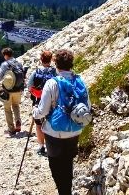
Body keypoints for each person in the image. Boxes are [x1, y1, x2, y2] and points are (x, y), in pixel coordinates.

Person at [32, 49, 89, 195]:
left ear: (56, 64)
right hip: (75, 129)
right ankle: (67, 190)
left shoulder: (52, 83)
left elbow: (43, 111)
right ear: (71, 64)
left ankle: (63, 191)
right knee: (68, 162)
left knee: (55, 165)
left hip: (54, 132)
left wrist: (35, 112)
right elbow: (87, 107)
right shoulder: (80, 81)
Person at [27, 50, 58, 156]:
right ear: (51, 60)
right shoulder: (55, 72)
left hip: (38, 101)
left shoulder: (36, 72)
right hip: (53, 103)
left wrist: (37, 94)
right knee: (51, 123)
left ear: (41, 59)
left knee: (39, 125)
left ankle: (41, 147)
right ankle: (52, 146)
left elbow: (29, 86)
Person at [0, 47, 24, 137]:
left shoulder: (5, 64)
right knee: (16, 105)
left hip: (8, 90)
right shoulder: (19, 63)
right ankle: (18, 121)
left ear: (5, 55)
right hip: (18, 89)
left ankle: (11, 129)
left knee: (7, 109)